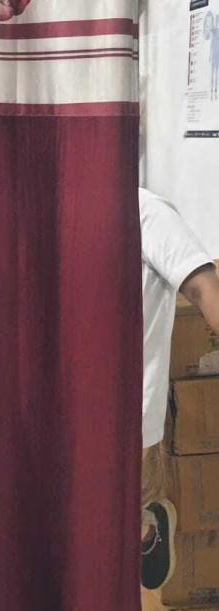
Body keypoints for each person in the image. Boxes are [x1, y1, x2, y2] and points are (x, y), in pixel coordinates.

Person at [138, 187, 219, 587]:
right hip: (60, 415)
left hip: (134, 419)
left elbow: (204, 288)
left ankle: (147, 527)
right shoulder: (40, 213)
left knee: (119, 522)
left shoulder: (145, 212)